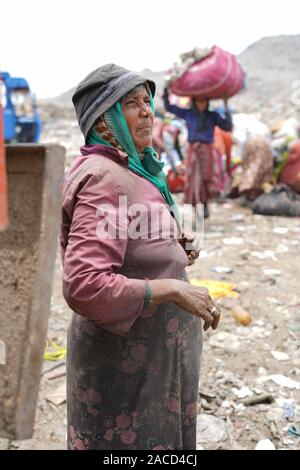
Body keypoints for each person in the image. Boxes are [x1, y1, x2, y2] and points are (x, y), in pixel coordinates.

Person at [61, 64, 221, 450]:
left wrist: (172, 248)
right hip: (124, 366)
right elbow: (84, 284)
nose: (147, 110)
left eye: (147, 101)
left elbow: (130, 239)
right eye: (131, 104)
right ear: (104, 121)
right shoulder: (104, 178)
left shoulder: (134, 169)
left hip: (154, 358)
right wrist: (172, 289)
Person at [163, 87, 233, 218]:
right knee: (194, 178)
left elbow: (227, 126)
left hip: (207, 151)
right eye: (199, 101)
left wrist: (226, 105)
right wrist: (167, 91)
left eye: (204, 101)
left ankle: (205, 205)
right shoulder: (188, 114)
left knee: (208, 177)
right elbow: (169, 107)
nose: (201, 104)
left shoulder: (213, 116)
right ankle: (196, 205)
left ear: (207, 102)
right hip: (193, 151)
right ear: (194, 102)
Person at [237, 136, 274, 201]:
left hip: (253, 163)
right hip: (259, 164)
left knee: (252, 180)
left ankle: (251, 196)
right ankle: (252, 196)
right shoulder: (265, 144)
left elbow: (245, 157)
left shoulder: (252, 142)